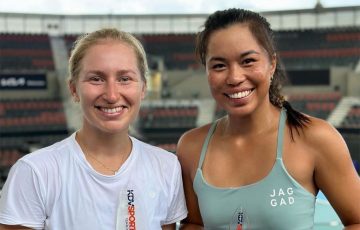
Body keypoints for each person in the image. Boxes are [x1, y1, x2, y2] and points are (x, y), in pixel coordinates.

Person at [177, 8, 360, 229]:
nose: (234, 77)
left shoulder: (315, 138)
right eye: (219, 66)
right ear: (206, 71)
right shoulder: (191, 147)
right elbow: (194, 223)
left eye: (248, 61)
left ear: (271, 63)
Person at [0, 28, 187, 230]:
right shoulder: (35, 172)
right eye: (96, 79)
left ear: (143, 88)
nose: (112, 95)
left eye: (124, 79)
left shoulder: (167, 166)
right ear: (73, 89)